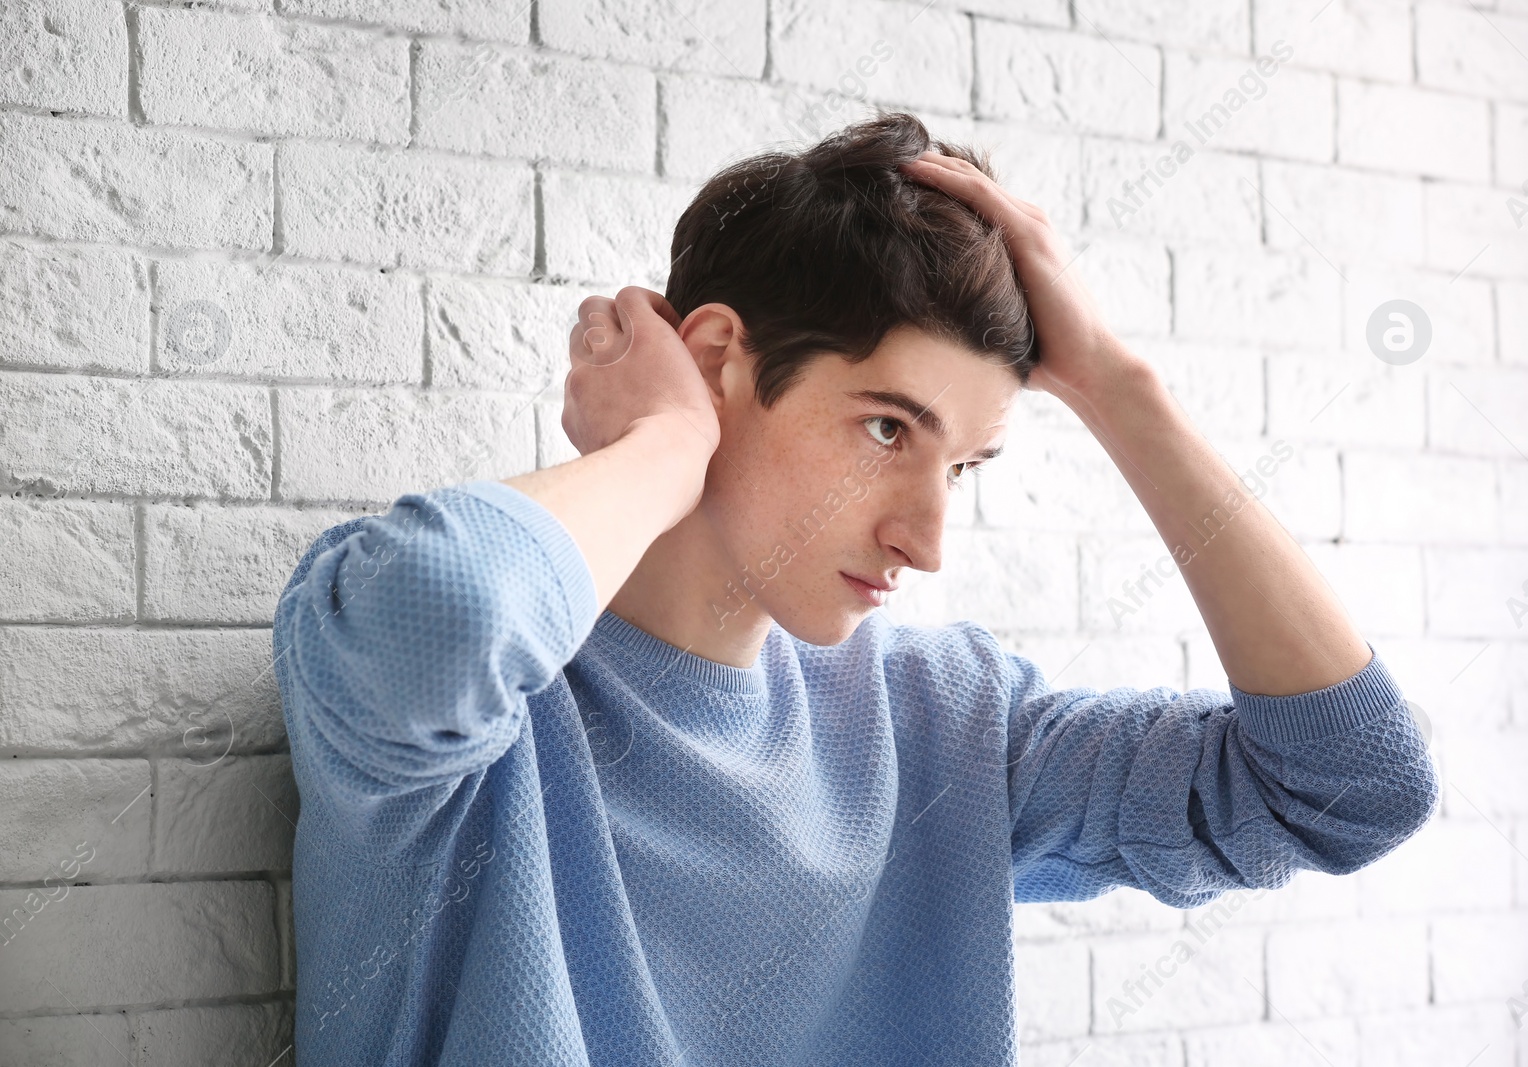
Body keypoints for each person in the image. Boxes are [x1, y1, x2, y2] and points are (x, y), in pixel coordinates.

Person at [272, 109, 1439, 1067]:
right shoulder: (459, 714)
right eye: (887, 427)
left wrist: (1119, 390)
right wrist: (670, 441)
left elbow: (1352, 784)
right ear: (719, 357)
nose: (928, 538)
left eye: (964, 465)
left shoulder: (945, 726)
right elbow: (448, 606)